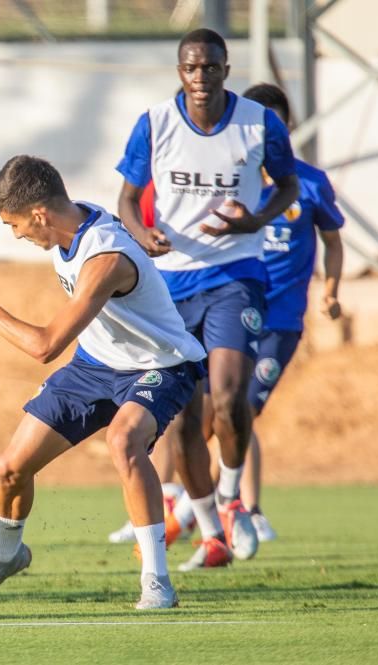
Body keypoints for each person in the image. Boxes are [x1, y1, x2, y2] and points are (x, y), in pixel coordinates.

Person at [0, 155, 206, 609]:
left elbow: (45, 346)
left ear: (39, 214)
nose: (16, 235)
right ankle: (6, 557)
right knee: (10, 468)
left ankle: (156, 581)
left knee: (123, 440)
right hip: (94, 365)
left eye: (15, 225)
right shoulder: (71, 224)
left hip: (161, 364)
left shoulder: (105, 257)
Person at [115, 28, 300, 570]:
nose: (201, 78)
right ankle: (211, 531)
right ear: (180, 72)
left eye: (211, 68)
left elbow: (286, 185)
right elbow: (126, 198)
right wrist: (142, 236)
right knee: (181, 422)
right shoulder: (154, 123)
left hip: (235, 273)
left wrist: (258, 218)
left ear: (226, 68)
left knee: (227, 396)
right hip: (169, 284)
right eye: (191, 69)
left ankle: (234, 496)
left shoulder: (258, 122)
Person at [230, 82, 345, 540]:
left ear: (288, 126)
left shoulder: (310, 184)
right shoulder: (228, 180)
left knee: (243, 410)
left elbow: (334, 242)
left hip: (280, 319)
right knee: (213, 409)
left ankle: (247, 509)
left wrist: (331, 290)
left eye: (273, 124)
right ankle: (200, 506)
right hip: (230, 310)